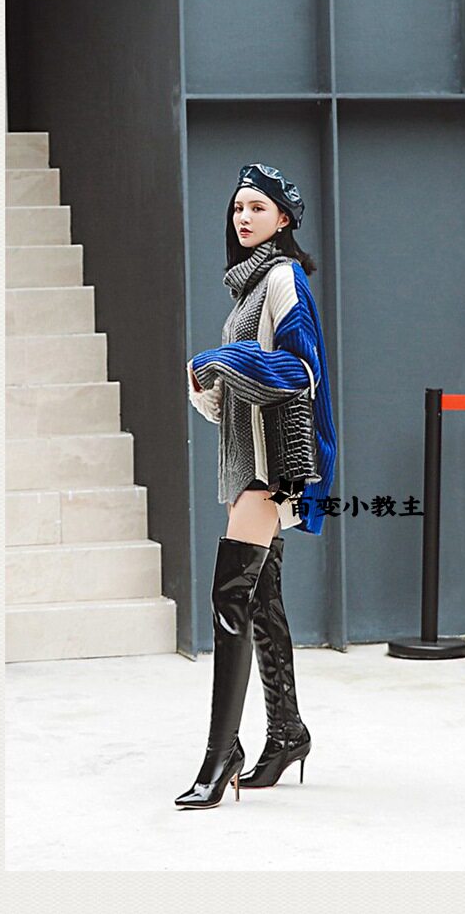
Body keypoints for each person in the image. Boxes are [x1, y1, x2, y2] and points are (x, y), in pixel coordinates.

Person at [174, 163, 337, 809]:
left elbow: (300, 369)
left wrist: (223, 359)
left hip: (273, 462)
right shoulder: (247, 287)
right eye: (238, 207)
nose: (243, 217)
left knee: (230, 597)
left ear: (283, 218)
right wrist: (206, 385)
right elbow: (241, 392)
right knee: (262, 598)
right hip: (244, 457)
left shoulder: (282, 277)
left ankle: (221, 754)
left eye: (257, 208)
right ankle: (288, 732)